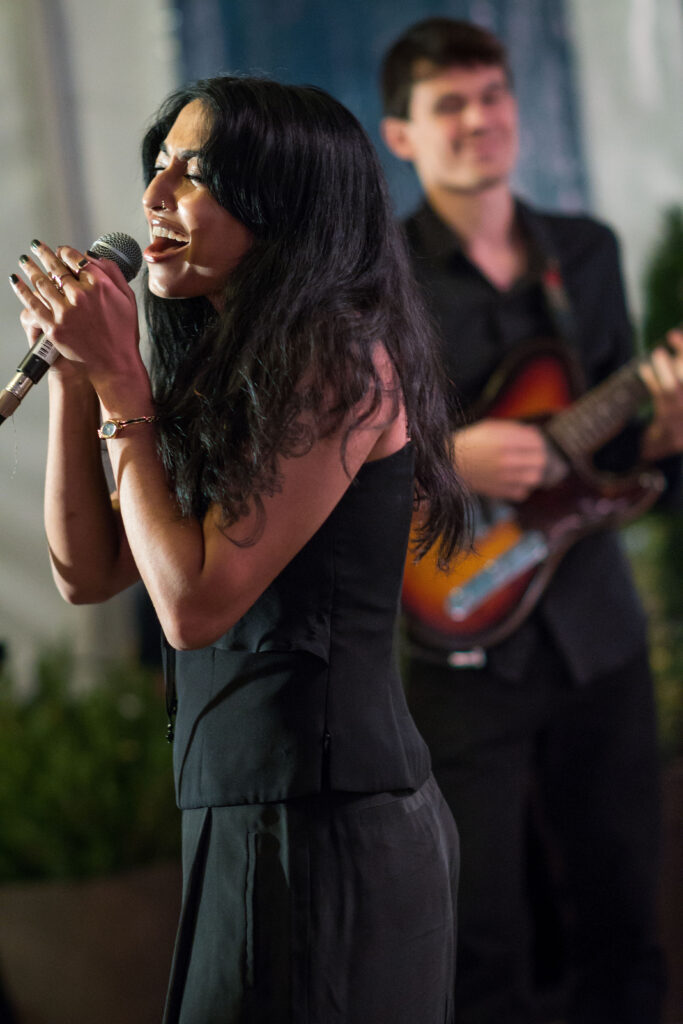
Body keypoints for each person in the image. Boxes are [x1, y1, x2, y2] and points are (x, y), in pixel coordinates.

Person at [10, 77, 468, 1023]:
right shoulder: (229, 366)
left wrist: (120, 379)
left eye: (197, 173)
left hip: (328, 823)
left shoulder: (337, 362)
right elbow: (89, 576)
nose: (154, 198)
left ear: (283, 200)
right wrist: (75, 378)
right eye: (159, 166)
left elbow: (192, 605)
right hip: (246, 810)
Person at [380, 17, 683, 1024]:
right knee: (478, 942)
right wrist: (444, 454)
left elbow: (603, 458)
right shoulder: (371, 279)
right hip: (457, 644)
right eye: (449, 104)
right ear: (401, 135)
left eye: (493, 94)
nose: (480, 119)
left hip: (594, 631)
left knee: (623, 920)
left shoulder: (583, 253)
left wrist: (659, 435)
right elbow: (324, 455)